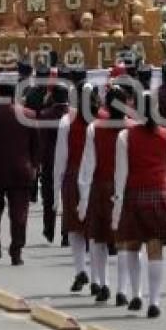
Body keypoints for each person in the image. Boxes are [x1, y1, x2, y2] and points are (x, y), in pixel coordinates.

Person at [112, 92, 166, 318]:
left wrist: (118, 203)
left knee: (132, 247)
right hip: (159, 193)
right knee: (155, 250)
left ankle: (136, 294)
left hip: (134, 193)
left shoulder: (125, 136)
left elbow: (120, 175)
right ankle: (155, 300)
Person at [78, 84, 130, 304]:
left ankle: (102, 282)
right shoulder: (133, 128)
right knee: (124, 242)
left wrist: (83, 196)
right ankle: (122, 290)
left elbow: (88, 164)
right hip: (126, 187)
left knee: (97, 239)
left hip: (101, 186)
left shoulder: (95, 127)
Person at [0, 80, 40, 265]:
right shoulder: (28, 114)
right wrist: (34, 166)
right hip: (21, 171)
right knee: (19, 214)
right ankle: (16, 251)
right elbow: (36, 146)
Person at [53, 75, 93, 292]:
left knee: (75, 229)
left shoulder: (66, 120)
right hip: (97, 176)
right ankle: (98, 276)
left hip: (74, 174)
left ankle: (80, 270)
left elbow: (61, 156)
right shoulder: (104, 118)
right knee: (96, 231)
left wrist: (56, 184)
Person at [38, 77, 71, 243]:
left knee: (49, 196)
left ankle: (49, 229)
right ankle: (66, 233)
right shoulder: (72, 115)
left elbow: (41, 140)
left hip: (49, 160)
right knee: (68, 198)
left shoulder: (44, 115)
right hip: (70, 161)